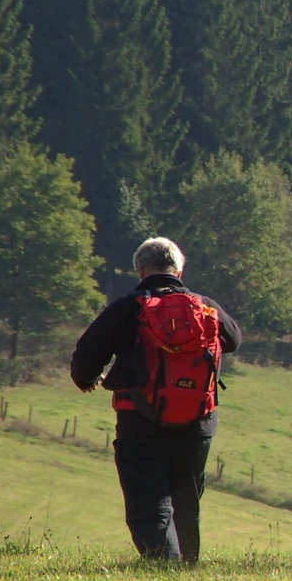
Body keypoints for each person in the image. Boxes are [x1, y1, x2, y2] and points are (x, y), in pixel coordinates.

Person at [70, 237, 243, 563]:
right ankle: (186, 565)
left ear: (140, 269)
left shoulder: (125, 309)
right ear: (179, 269)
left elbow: (85, 358)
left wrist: (88, 381)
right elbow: (233, 338)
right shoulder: (205, 306)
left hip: (140, 417)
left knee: (148, 500)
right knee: (186, 500)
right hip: (197, 421)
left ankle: (165, 565)